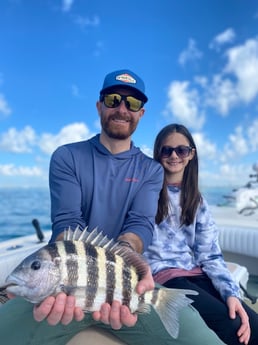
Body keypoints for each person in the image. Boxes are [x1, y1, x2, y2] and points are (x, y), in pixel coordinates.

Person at [0, 71, 225, 345]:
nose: (121, 109)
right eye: (113, 99)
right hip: (59, 291)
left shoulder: (151, 169)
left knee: (203, 340)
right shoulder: (67, 156)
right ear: (99, 106)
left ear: (141, 113)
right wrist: (66, 272)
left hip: (125, 287)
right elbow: (67, 222)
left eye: (131, 103)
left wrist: (129, 257)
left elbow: (140, 223)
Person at [144, 123, 258, 345]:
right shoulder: (144, 194)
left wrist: (231, 293)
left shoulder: (197, 201)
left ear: (191, 155)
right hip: (163, 277)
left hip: (195, 274)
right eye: (167, 150)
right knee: (232, 326)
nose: (174, 155)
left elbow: (210, 255)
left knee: (252, 322)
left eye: (181, 150)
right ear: (158, 153)